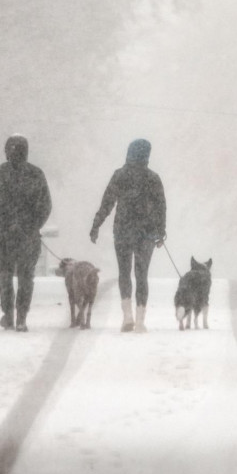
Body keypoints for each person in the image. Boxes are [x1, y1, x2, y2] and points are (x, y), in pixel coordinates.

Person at [90, 138, 166, 333]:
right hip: (146, 233)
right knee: (142, 275)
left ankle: (127, 317)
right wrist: (160, 231)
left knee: (124, 273)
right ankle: (140, 321)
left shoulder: (120, 175)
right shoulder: (153, 178)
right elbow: (160, 207)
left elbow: (107, 202)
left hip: (123, 231)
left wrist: (97, 224)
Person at [0, 134, 52, 332]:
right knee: (26, 276)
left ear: (7, 151)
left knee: (5, 275)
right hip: (29, 236)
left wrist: (1, 225)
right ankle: (22, 316)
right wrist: (33, 226)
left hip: (6, 236)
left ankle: (8, 314)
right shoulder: (36, 174)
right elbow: (45, 205)